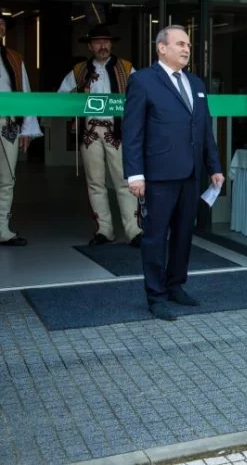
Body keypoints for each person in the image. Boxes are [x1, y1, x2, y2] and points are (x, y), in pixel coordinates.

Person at [123, 25, 224, 321]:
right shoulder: (143, 81)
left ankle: (175, 285)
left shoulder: (196, 83)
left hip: (191, 173)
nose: (186, 49)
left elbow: (205, 130)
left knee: (183, 234)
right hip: (158, 175)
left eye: (189, 45)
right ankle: (155, 296)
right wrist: (135, 174)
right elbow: (132, 132)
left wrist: (214, 167)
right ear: (161, 48)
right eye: (180, 44)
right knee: (155, 238)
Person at [57, 25, 142, 247]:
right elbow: (61, 97)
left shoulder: (126, 68)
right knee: (95, 183)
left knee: (125, 181)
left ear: (111, 44)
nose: (102, 46)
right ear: (90, 46)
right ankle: (104, 230)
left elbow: (140, 99)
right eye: (97, 42)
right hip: (91, 132)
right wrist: (80, 88)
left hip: (119, 132)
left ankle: (134, 231)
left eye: (106, 41)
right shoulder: (79, 71)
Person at [0, 18, 41, 246]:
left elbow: (24, 93)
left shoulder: (15, 58)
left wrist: (27, 129)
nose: (0, 27)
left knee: (7, 179)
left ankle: (2, 230)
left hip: (8, 124)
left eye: (2, 23)